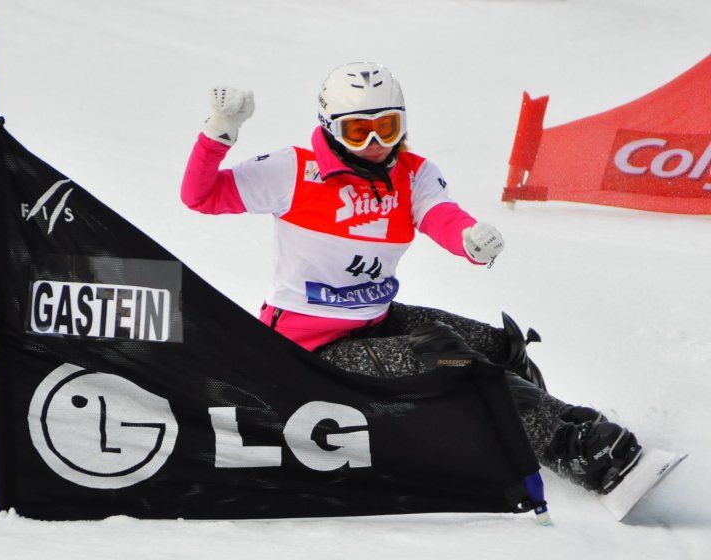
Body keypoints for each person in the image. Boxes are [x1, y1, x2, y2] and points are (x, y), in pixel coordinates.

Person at [180, 62, 641, 494]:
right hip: (309, 353)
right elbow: (201, 196)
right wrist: (220, 131)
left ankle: (562, 423)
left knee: (494, 345)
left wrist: (468, 239)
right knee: (453, 362)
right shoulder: (293, 171)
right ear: (329, 128)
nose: (374, 143)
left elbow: (440, 214)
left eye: (387, 127)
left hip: (373, 320)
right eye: (357, 131)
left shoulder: (412, 174)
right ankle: (568, 450)